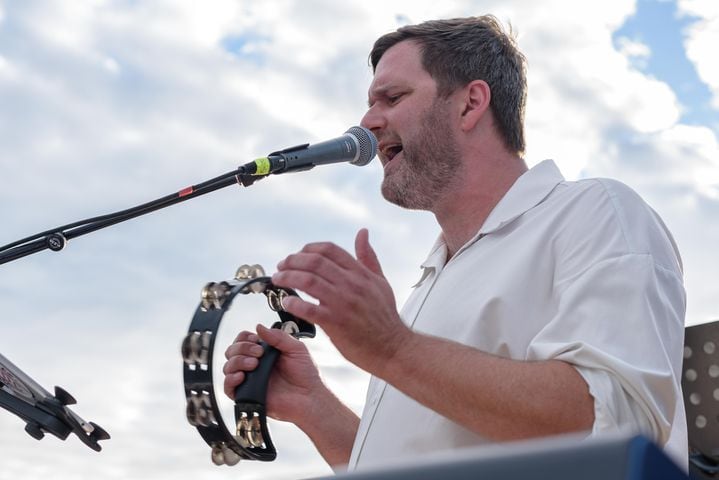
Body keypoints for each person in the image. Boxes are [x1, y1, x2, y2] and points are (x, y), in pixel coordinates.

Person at [223, 15, 687, 471]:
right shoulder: (434, 276)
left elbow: (618, 428)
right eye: (370, 103)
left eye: (393, 97)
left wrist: (391, 348)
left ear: (470, 103)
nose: (367, 121)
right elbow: (412, 463)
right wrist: (313, 406)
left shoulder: (597, 212)